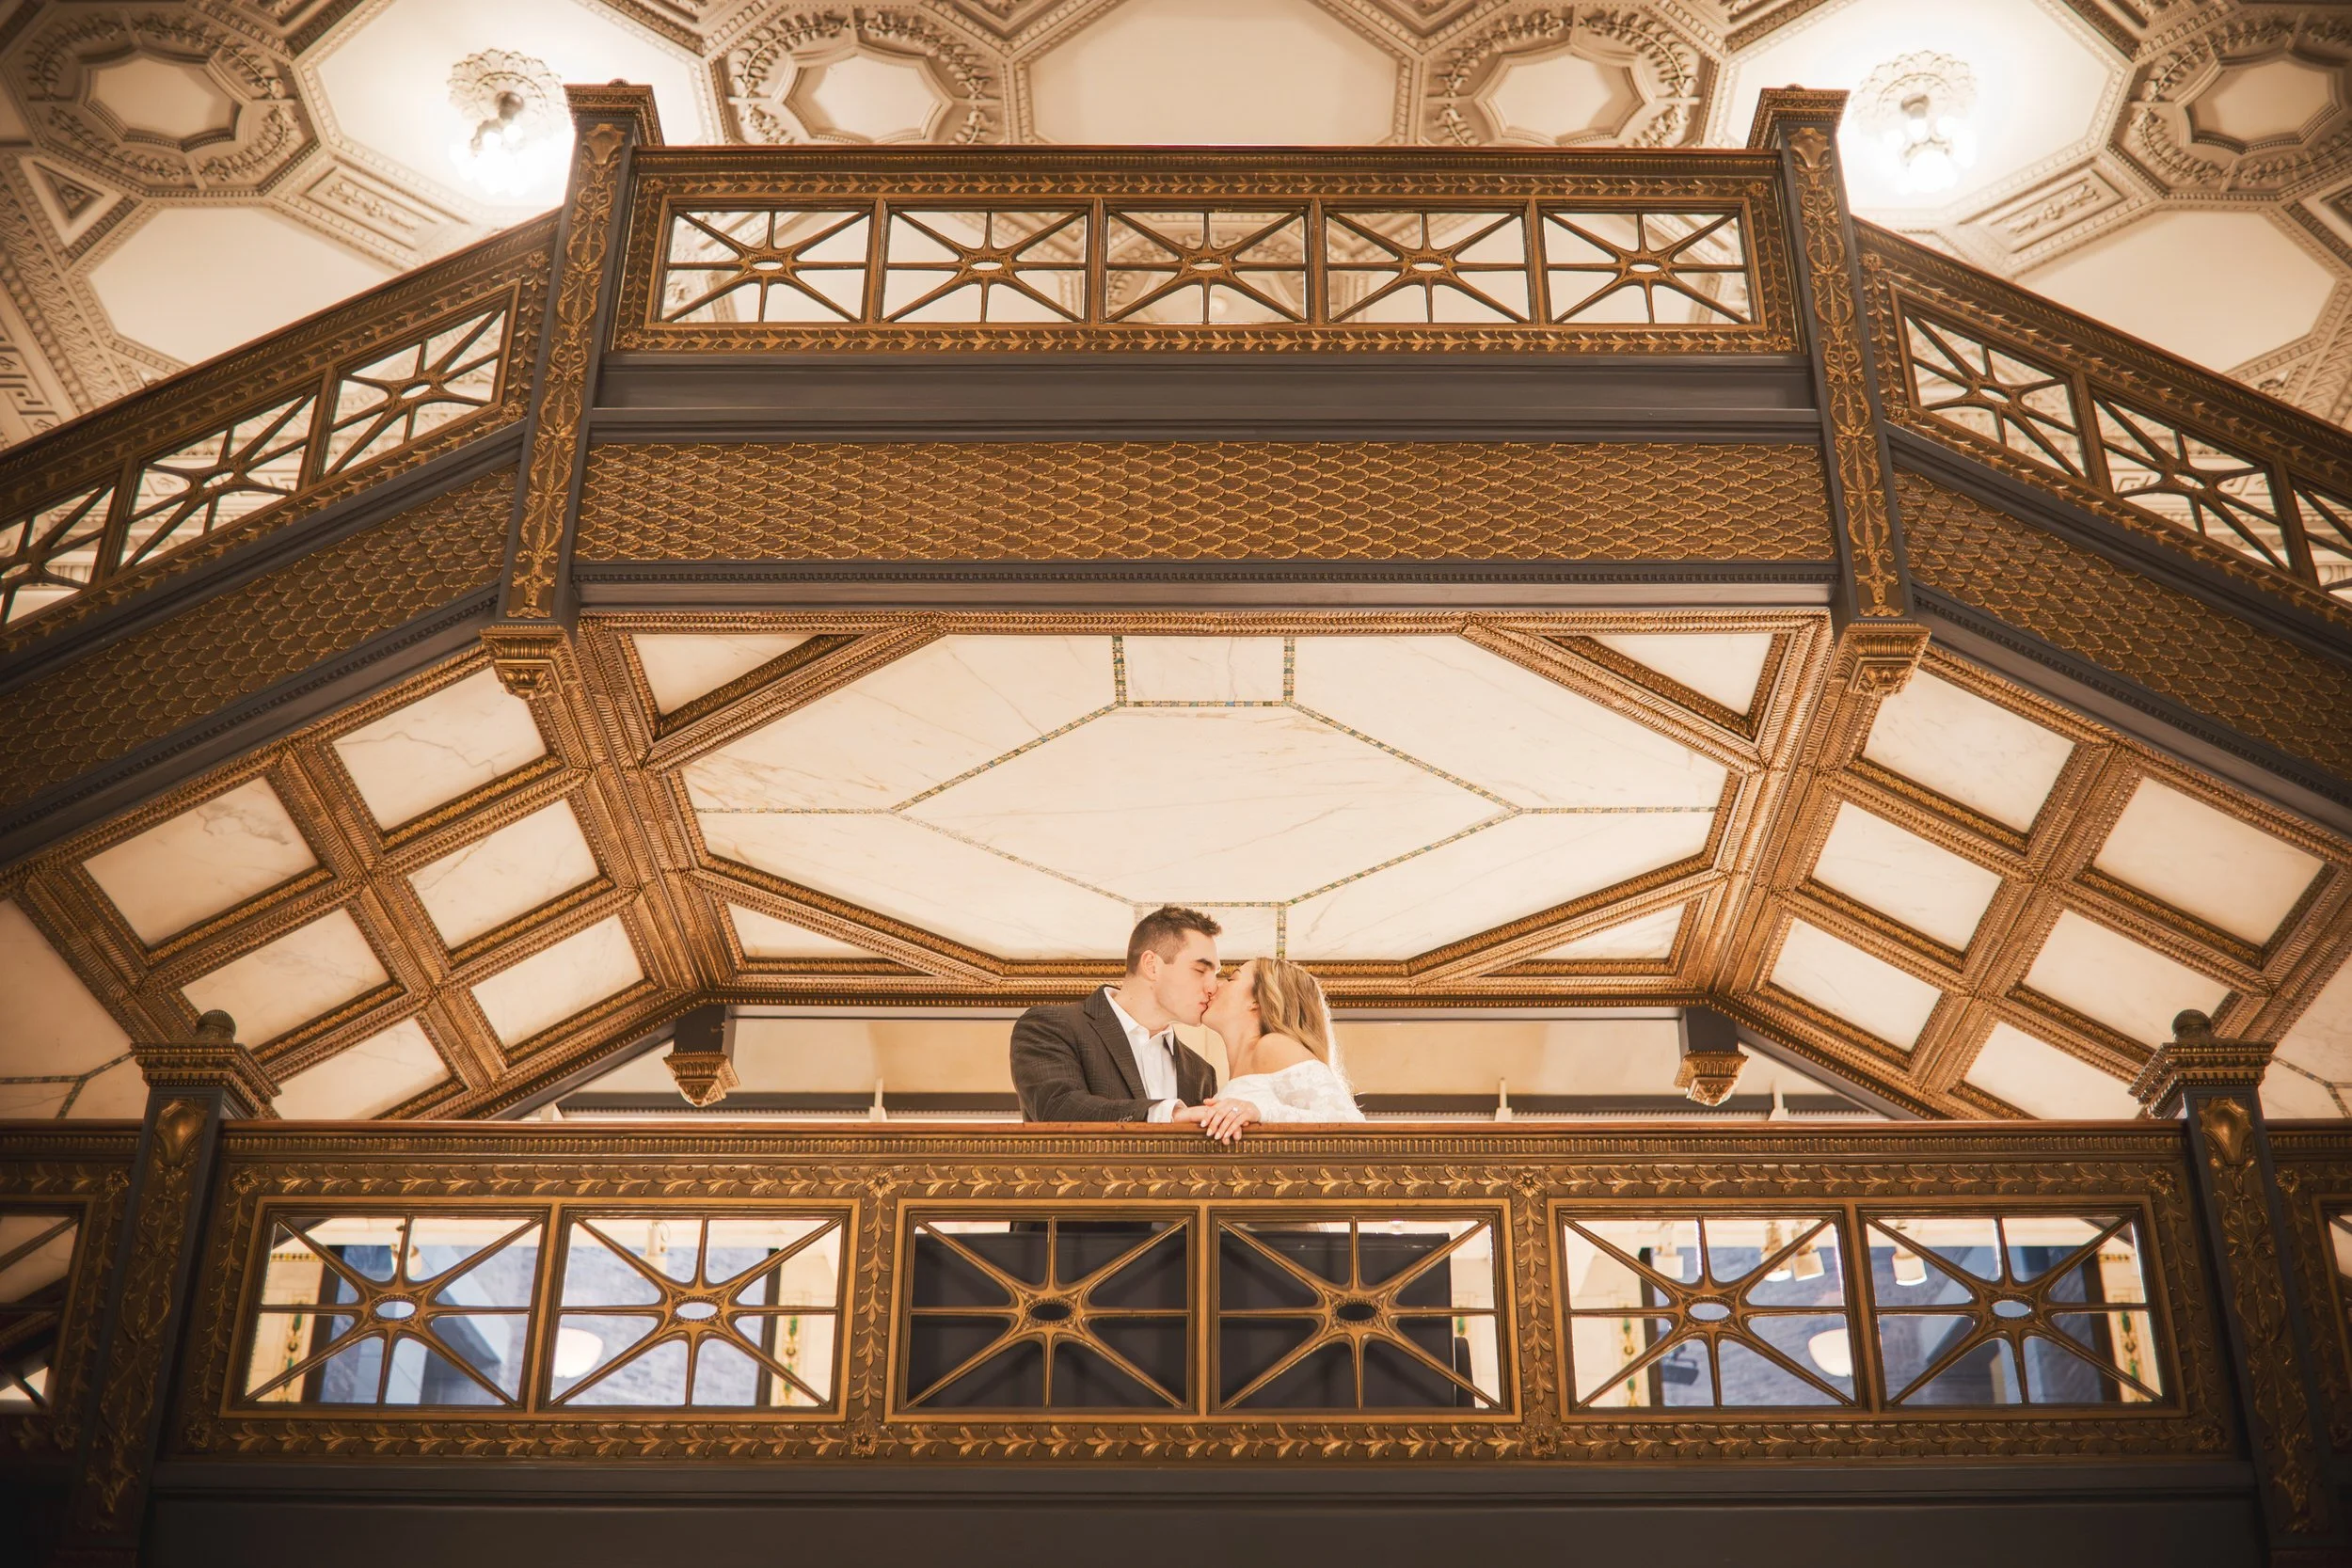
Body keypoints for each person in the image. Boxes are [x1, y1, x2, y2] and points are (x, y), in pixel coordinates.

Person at [1010, 906, 1223, 1123]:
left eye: (1215, 974)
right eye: (1200, 970)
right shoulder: (1050, 1027)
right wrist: (1170, 1115)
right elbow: (1058, 1110)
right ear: (1152, 966)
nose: (1213, 987)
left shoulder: (1202, 1072)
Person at [1188, 957, 1362, 1144]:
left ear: (1257, 1001)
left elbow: (1349, 1124)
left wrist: (1262, 1112)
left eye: (1232, 979)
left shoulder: (1273, 1046)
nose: (1217, 986)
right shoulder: (1228, 1072)